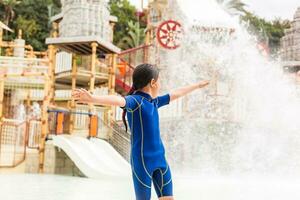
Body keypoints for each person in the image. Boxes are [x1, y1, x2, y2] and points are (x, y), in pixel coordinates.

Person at [72, 63, 209, 200]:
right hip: (142, 162)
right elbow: (119, 100)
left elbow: (176, 93)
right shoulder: (135, 102)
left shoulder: (154, 102)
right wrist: (93, 99)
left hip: (161, 159)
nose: (160, 84)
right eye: (159, 81)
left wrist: (197, 85)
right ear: (153, 82)